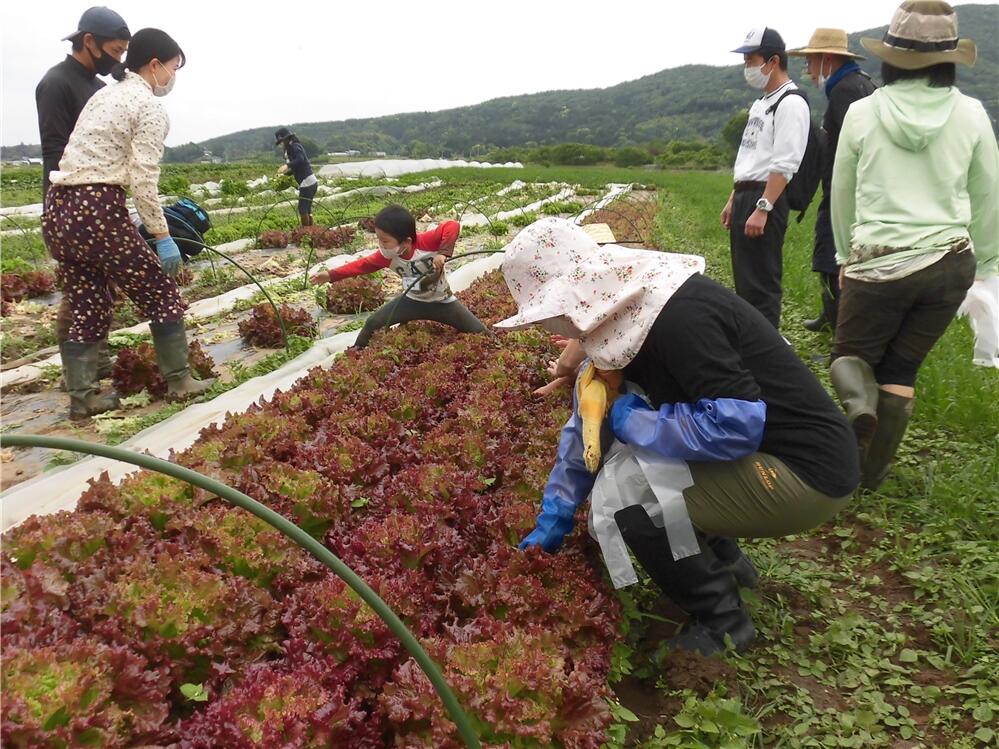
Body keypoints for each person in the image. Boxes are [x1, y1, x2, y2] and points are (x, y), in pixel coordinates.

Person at [499, 218, 859, 656]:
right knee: (650, 463)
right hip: (774, 461)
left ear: (574, 296)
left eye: (546, 313)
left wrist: (636, 423)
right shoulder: (619, 326)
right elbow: (586, 432)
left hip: (806, 476)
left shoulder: (677, 318)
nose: (545, 327)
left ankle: (722, 620)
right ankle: (728, 567)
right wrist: (553, 517)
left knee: (628, 499)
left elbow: (736, 427)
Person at [830, 0, 997, 491]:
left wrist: (843, 255)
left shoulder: (863, 113)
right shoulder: (972, 113)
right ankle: (872, 475)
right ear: (947, 58)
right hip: (949, 262)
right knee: (901, 367)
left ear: (891, 56)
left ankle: (859, 411)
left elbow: (842, 190)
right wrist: (985, 262)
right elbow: (987, 190)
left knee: (850, 357)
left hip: (879, 260)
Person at [43, 28, 215, 420]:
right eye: (174, 68)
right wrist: (162, 234)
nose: (173, 76)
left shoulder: (104, 94)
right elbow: (143, 176)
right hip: (97, 207)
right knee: (160, 291)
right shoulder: (149, 105)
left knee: (88, 298)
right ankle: (179, 381)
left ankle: (83, 398)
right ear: (155, 65)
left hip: (60, 207)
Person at [36, 6, 131, 387]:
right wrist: (61, 206)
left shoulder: (99, 89)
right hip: (68, 202)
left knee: (105, 284)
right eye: (115, 50)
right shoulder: (56, 83)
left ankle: (99, 355)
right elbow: (54, 150)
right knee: (80, 287)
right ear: (88, 41)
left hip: (102, 201)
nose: (118, 58)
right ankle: (75, 370)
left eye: (124, 52)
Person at [788, 29, 876, 335]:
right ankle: (830, 316)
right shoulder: (859, 83)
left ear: (827, 60)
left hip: (845, 190)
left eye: (810, 64)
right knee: (829, 252)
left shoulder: (845, 91)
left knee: (833, 255)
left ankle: (843, 333)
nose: (810, 73)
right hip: (847, 188)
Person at [721, 27, 810, 329]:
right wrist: (734, 198)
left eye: (751, 60)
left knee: (761, 283)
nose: (748, 67)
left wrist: (763, 207)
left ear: (773, 61)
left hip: (765, 197)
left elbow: (785, 162)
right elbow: (750, 156)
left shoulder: (791, 103)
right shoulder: (762, 103)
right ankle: (750, 342)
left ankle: (767, 349)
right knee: (745, 281)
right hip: (747, 193)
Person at [311, 204, 486, 348]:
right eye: (378, 239)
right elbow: (360, 266)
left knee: (480, 331)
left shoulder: (426, 241)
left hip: (442, 302)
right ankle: (355, 353)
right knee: (373, 323)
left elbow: (452, 225)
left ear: (407, 241)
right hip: (410, 302)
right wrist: (330, 275)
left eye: (385, 240)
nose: (381, 245)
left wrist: (443, 253)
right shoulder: (386, 256)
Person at [275, 127, 318, 227]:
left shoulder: (295, 146)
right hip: (311, 181)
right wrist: (284, 175)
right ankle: (311, 231)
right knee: (307, 208)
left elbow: (301, 159)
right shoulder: (293, 148)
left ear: (287, 139)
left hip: (306, 182)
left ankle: (306, 232)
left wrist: (287, 165)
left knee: (302, 208)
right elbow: (296, 167)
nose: (282, 144)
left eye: (282, 141)